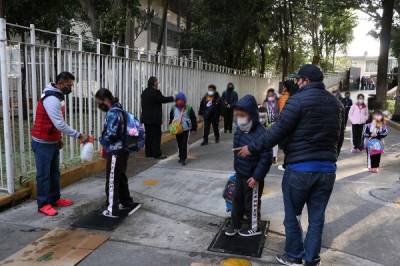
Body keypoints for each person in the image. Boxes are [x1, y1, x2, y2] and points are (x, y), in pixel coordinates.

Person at [236, 64, 345, 266]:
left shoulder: (297, 101)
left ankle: (293, 256)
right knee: (317, 219)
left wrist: (251, 148)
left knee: (293, 216)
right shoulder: (337, 104)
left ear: (304, 81)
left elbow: (277, 132)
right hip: (327, 171)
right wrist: (331, 158)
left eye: (298, 79)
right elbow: (338, 139)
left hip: (300, 170)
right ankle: (312, 259)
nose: (296, 83)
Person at [31, 71, 88, 216]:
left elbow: (54, 123)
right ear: (61, 82)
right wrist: (79, 135)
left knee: (54, 173)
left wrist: (58, 138)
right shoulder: (51, 98)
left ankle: (55, 198)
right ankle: (43, 204)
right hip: (42, 141)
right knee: (44, 175)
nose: (70, 88)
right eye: (69, 85)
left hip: (51, 140)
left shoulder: (58, 96)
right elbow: (59, 123)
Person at [226, 95, 272, 237]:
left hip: (253, 177)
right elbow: (236, 149)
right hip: (240, 173)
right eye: (237, 115)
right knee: (236, 199)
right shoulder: (239, 129)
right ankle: (235, 224)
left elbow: (266, 157)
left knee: (251, 202)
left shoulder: (262, 133)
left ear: (251, 114)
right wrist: (237, 169)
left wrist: (257, 176)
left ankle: (254, 226)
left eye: (242, 115)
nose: (239, 118)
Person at [96, 88, 136, 218]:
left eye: (99, 102)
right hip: (123, 149)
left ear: (105, 100)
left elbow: (112, 135)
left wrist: (101, 140)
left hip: (115, 150)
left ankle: (111, 209)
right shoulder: (120, 109)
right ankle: (126, 201)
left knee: (112, 179)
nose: (98, 105)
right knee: (121, 176)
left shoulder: (112, 113)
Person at [141, 76, 174, 159]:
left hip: (146, 119)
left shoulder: (144, 92)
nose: (158, 83)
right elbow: (162, 99)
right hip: (154, 119)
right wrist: (173, 98)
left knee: (149, 136)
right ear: (154, 83)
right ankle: (157, 154)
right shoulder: (155, 92)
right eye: (157, 82)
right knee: (156, 136)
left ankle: (148, 153)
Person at [169, 92, 197, 165]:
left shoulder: (189, 108)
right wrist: (170, 125)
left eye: (181, 100)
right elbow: (171, 117)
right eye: (178, 100)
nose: (180, 101)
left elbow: (193, 118)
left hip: (185, 128)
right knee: (179, 143)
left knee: (184, 143)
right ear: (176, 100)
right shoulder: (173, 108)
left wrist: (194, 127)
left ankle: (183, 158)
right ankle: (181, 155)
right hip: (177, 129)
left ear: (184, 100)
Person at [263, 88, 279, 163]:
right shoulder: (265, 103)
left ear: (274, 95)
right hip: (266, 125)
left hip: (275, 124)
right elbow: (262, 115)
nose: (270, 96)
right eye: (269, 95)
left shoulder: (277, 103)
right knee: (267, 141)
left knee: (275, 142)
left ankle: (274, 157)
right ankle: (268, 156)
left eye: (272, 95)